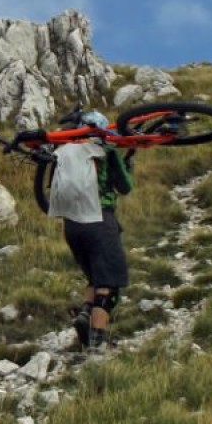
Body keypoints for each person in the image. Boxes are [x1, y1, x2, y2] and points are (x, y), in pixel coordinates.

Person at [48, 110, 134, 352]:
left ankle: (85, 315)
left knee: (94, 277)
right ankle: (98, 342)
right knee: (108, 282)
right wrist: (127, 167)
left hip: (72, 225)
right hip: (100, 220)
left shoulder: (65, 151)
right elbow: (125, 187)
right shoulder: (106, 150)